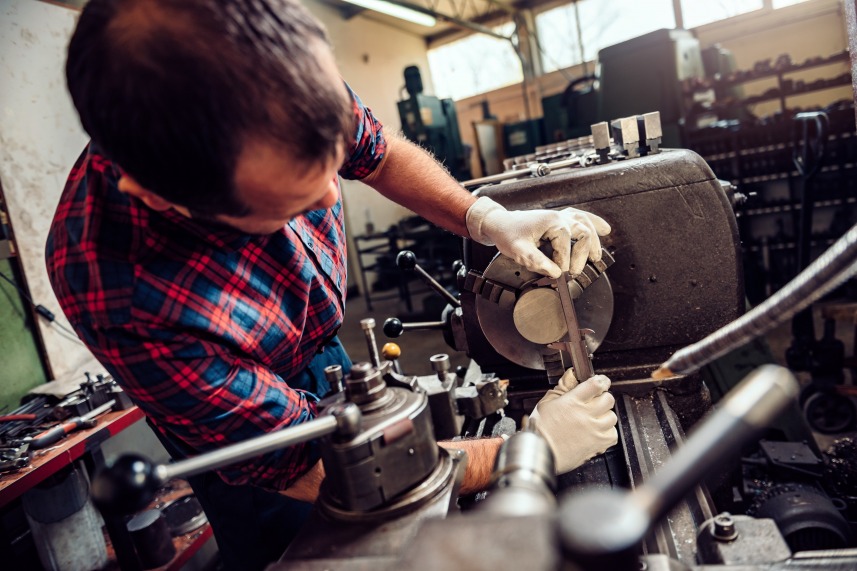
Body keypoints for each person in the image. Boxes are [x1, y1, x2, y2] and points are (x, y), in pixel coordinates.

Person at [46, 0, 618, 569]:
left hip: (318, 355)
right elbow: (319, 471)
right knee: (316, 548)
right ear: (164, 199)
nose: (329, 199)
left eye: (332, 165)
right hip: (256, 443)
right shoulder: (121, 293)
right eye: (288, 201)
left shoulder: (270, 73)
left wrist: (485, 217)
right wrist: (526, 451)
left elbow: (381, 155)